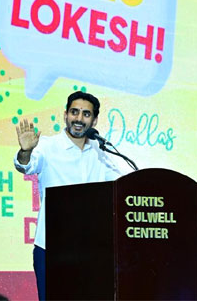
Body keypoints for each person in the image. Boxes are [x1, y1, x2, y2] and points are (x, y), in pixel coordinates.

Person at [14, 91, 123, 300]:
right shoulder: (47, 146)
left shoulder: (100, 151)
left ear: (94, 120)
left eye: (86, 114)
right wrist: (25, 151)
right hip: (52, 250)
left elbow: (121, 184)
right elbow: (25, 165)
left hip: (91, 251)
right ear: (65, 115)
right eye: (74, 112)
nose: (79, 118)